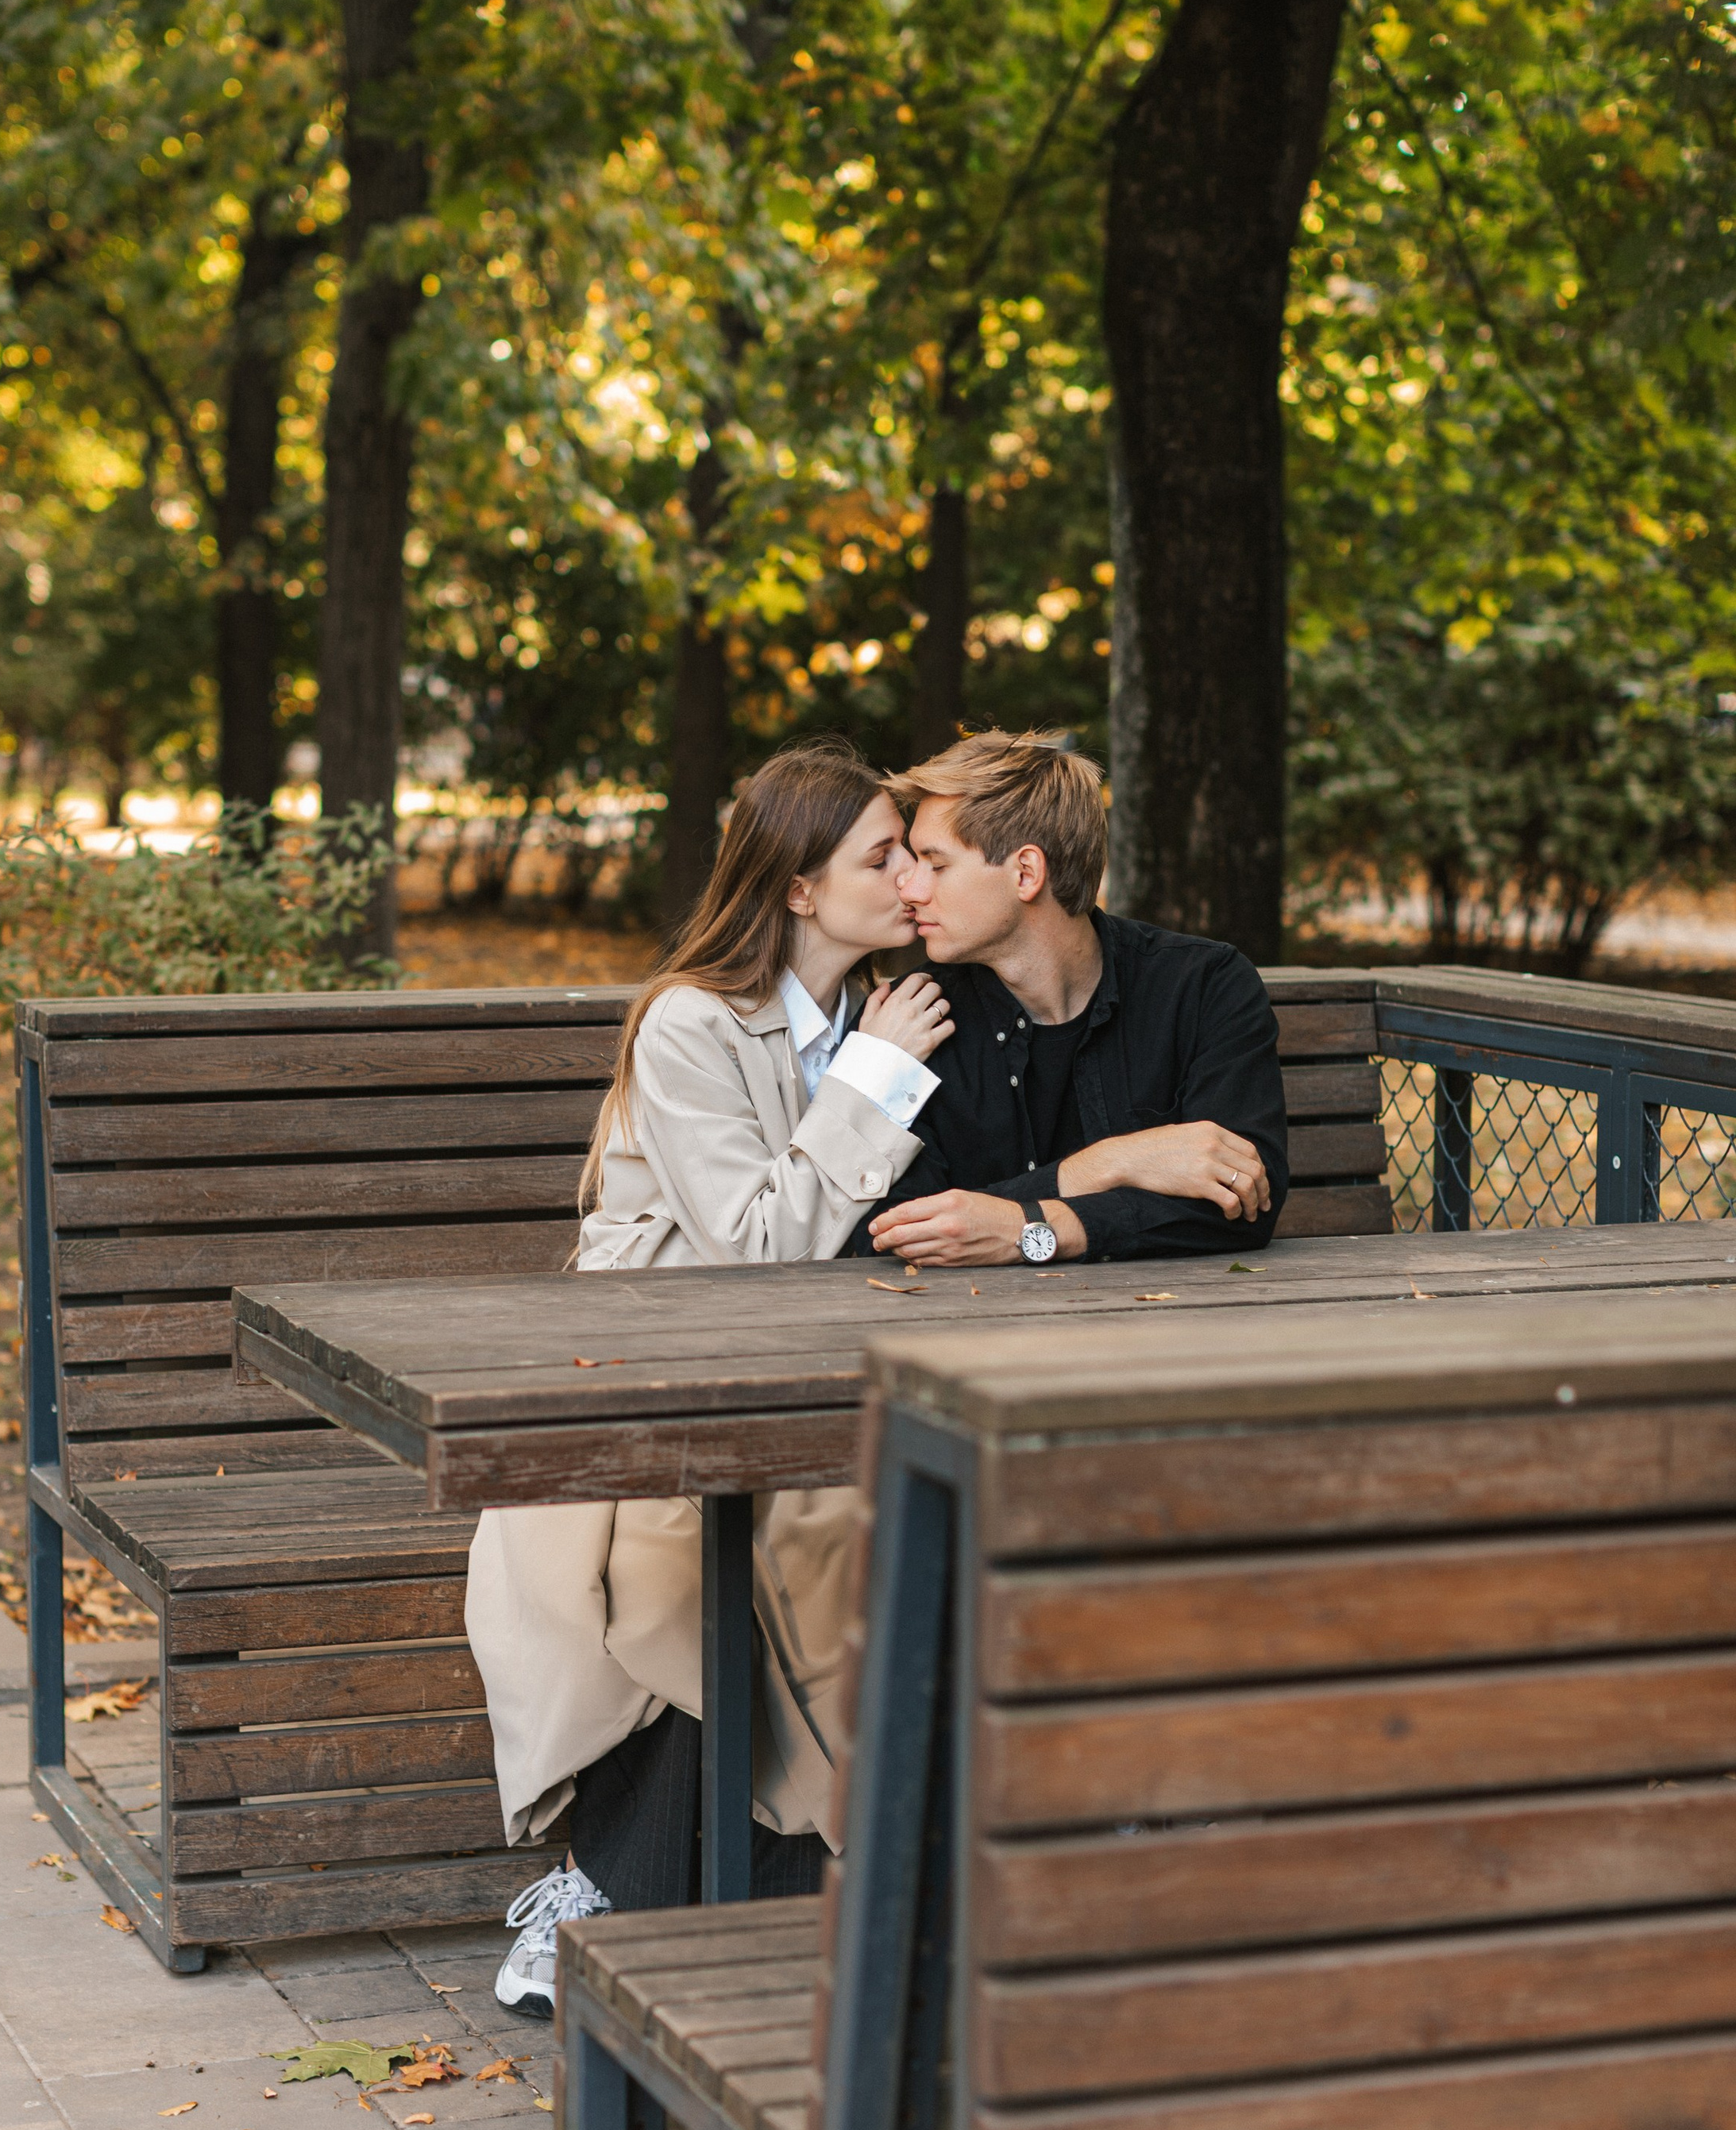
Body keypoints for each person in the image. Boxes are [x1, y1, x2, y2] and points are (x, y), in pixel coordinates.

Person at [468, 739, 957, 2014]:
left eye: (914, 852)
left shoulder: (886, 1012)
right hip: (651, 1371)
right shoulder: (694, 1023)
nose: (908, 878)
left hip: (824, 1375)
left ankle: (759, 1900)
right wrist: (877, 1083)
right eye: (881, 855)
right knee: (683, 1559)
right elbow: (753, 1242)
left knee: (835, 1529)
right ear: (799, 885)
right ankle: (611, 1895)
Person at [849, 729, 1288, 1268]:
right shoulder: (912, 1018)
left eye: (936, 865)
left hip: (1178, 1329)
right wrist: (1108, 1164)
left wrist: (1027, 1227)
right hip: (967, 1336)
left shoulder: (1204, 987)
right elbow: (898, 1228)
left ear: (1027, 873)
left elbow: (1246, 1203)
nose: (911, 890)